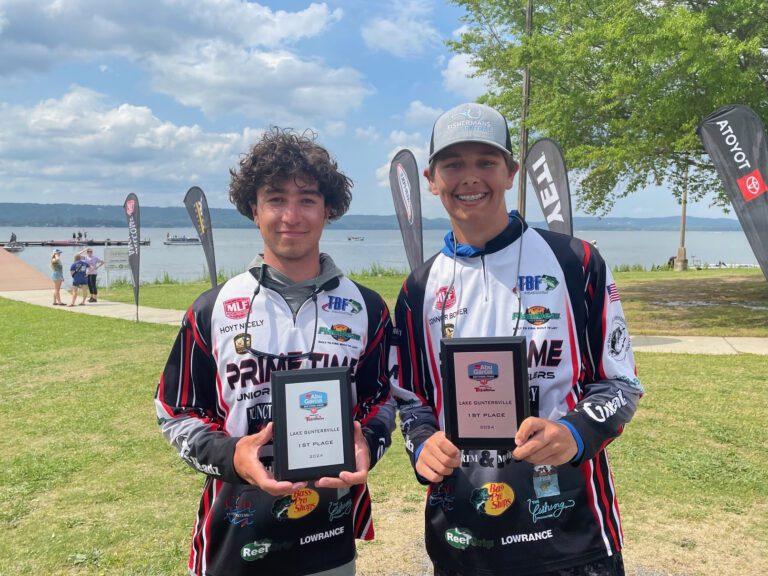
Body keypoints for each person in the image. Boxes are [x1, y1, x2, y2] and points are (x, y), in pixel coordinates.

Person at [392, 103, 643, 576]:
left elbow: (621, 386)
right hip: (464, 536)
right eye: (453, 164)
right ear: (430, 178)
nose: (470, 178)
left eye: (486, 162)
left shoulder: (576, 261)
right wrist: (421, 442)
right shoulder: (417, 290)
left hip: (570, 533)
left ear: (511, 172)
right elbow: (410, 401)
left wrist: (574, 433)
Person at [155, 127, 394, 576]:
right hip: (236, 535)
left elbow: (381, 400)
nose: (291, 215)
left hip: (330, 536)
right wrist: (232, 455)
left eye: (307, 199)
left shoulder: (368, 308)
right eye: (275, 198)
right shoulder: (213, 309)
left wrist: (370, 443)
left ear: (328, 210)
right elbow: (175, 411)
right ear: (254, 208)